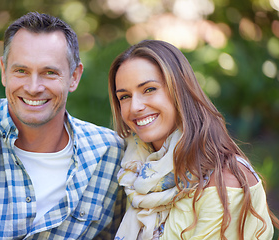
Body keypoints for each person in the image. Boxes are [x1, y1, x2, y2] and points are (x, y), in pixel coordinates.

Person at [0, 12, 125, 239]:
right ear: (4, 72)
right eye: (21, 71)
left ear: (74, 76)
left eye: (49, 72)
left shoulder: (110, 155)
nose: (33, 87)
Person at [108, 40, 279, 239]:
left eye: (149, 89)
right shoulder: (135, 171)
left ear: (179, 90)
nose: (135, 106)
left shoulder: (224, 182)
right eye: (125, 97)